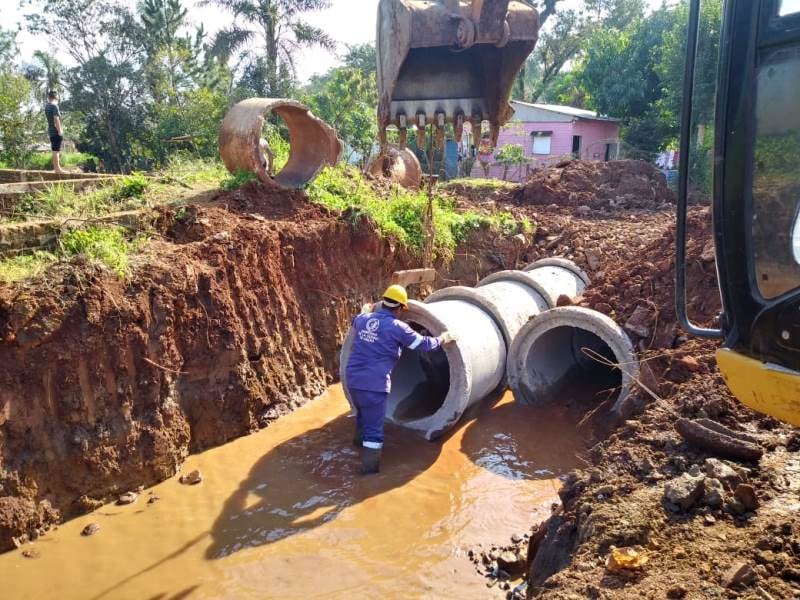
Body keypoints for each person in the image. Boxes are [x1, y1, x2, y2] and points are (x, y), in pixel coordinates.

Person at [345, 284, 457, 474]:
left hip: (352, 380)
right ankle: (369, 474)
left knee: (362, 414)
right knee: (374, 431)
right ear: (399, 309)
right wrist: (442, 338)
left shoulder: (364, 320)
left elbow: (357, 319)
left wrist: (365, 310)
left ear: (384, 303)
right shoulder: (398, 327)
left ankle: (356, 446)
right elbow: (423, 344)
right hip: (374, 385)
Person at [44, 91, 65, 174]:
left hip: (51, 131)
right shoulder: (54, 106)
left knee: (54, 150)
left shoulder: (47, 106)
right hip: (55, 131)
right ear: (56, 97)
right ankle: (58, 169)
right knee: (56, 150)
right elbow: (56, 119)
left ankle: (56, 168)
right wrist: (60, 131)